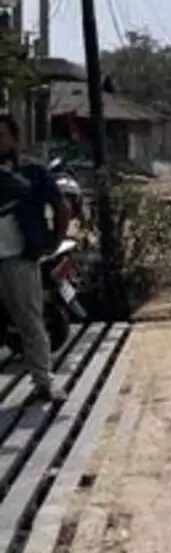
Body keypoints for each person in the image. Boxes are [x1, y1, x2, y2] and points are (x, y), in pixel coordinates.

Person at [0, 116, 70, 402]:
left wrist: (52, 241)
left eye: (1, 135)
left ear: (15, 139)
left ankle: (44, 383)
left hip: (19, 258)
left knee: (29, 320)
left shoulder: (33, 172)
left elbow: (61, 206)